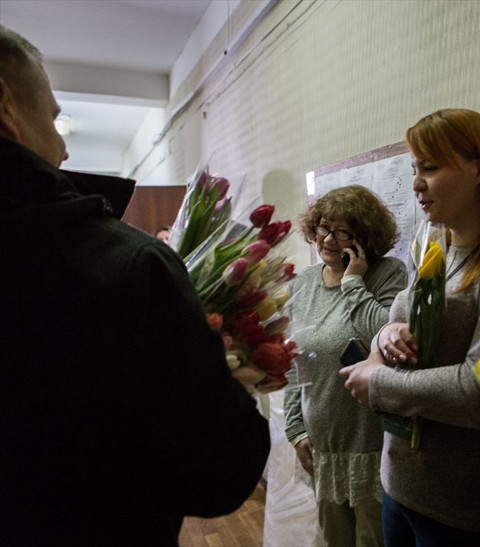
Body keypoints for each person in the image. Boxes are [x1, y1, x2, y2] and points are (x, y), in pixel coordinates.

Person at [0, 25, 270, 545]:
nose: (62, 148)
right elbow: (217, 474)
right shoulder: (125, 267)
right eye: (53, 119)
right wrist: (226, 377)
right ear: (5, 107)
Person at [340, 109, 480, 545]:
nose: (416, 183)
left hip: (463, 511)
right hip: (400, 489)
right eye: (415, 168)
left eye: (430, 168)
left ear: (479, 169)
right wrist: (385, 336)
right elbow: (398, 327)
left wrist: (378, 383)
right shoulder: (436, 251)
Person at [283, 184, 407, 546]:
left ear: (364, 237)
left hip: (370, 444)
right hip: (321, 443)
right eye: (323, 226)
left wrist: (353, 281)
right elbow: (295, 359)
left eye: (342, 231)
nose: (328, 238)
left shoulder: (387, 274)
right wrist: (295, 430)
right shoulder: (304, 283)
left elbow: (383, 335)